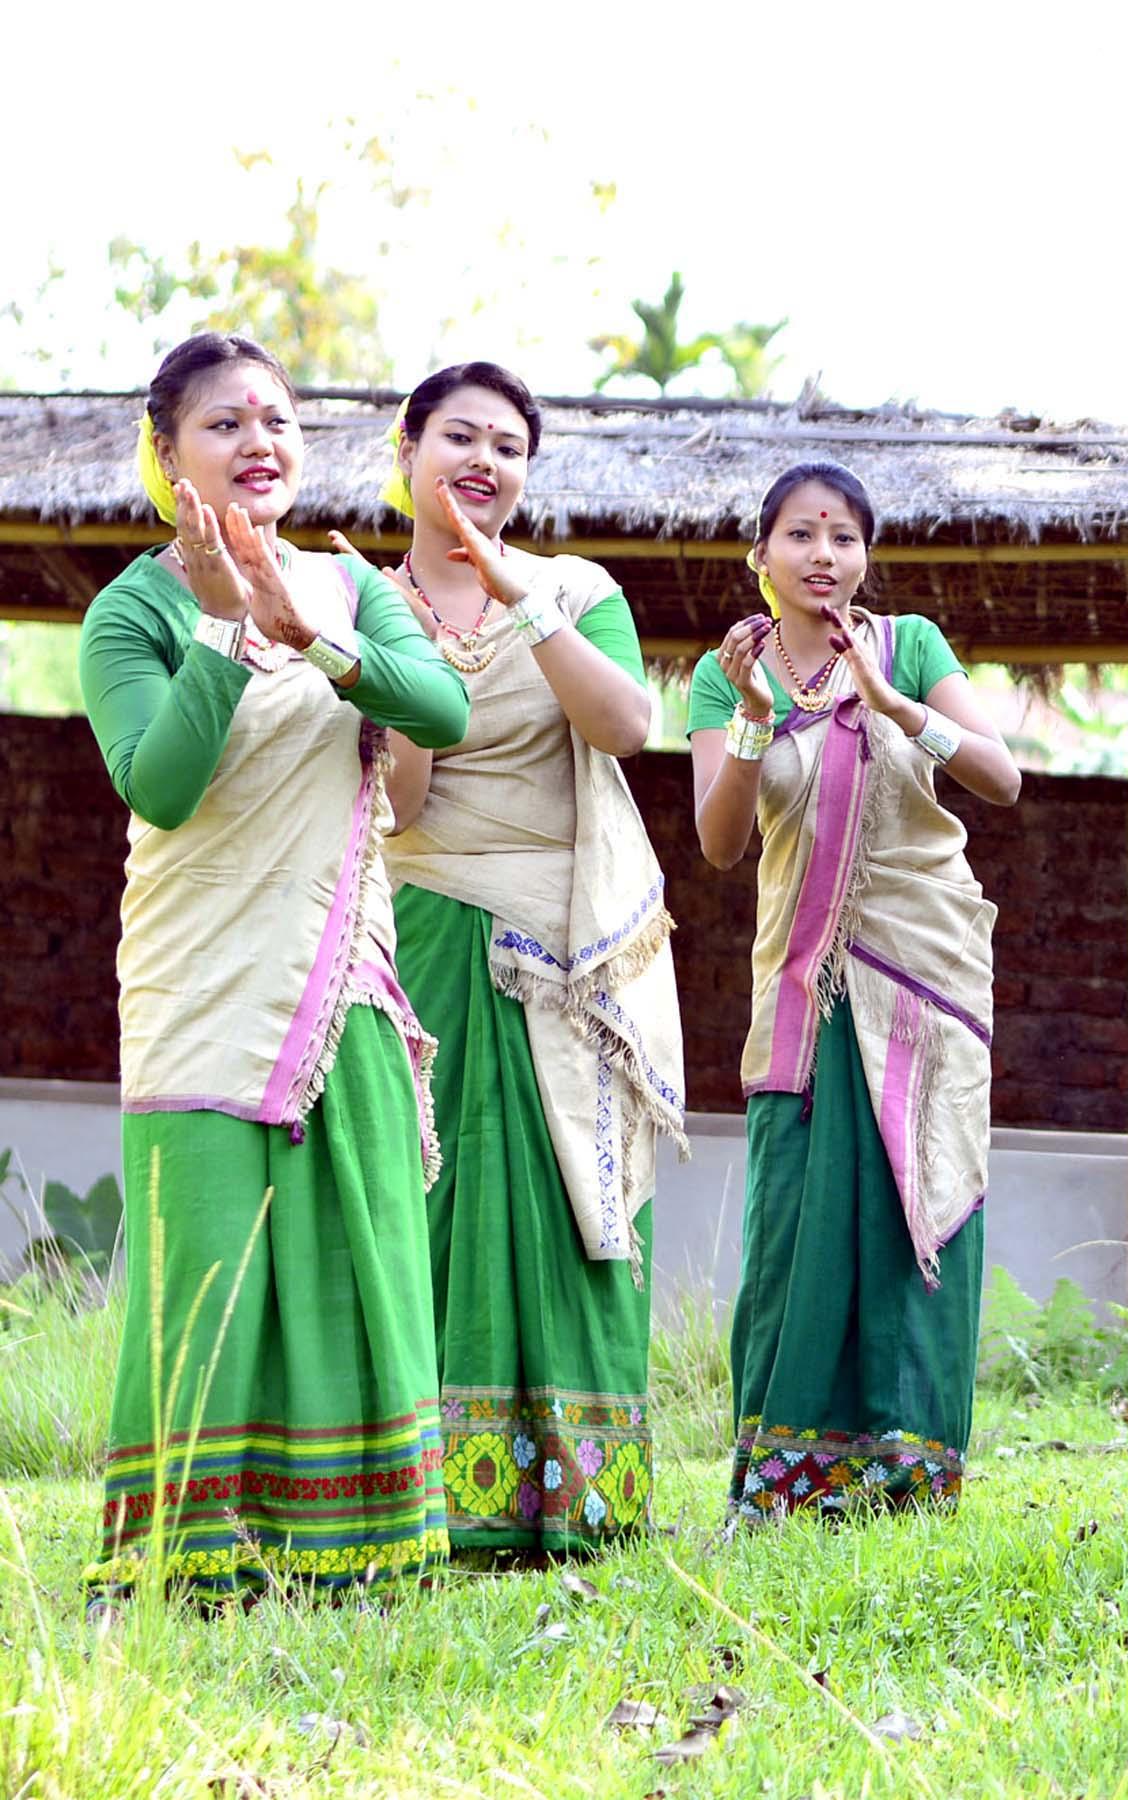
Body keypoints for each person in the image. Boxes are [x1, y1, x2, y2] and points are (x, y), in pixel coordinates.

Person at [79, 332, 469, 1596]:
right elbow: (164, 783)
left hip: (337, 968)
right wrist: (230, 634)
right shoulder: (130, 610)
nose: (258, 444)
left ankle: (365, 1546)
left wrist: (312, 628)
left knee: (357, 1241)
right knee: (206, 1255)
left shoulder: (353, 588)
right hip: (199, 972)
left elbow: (440, 714)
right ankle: (193, 1560)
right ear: (167, 451)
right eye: (223, 424)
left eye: (278, 423)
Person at [376, 361, 681, 1561]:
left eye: (508, 446)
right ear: (407, 450)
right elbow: (394, 801)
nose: (483, 462)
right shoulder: (356, 602)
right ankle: (427, 1497)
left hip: (567, 945)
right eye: (460, 436)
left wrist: (523, 600)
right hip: (428, 934)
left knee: (571, 1203)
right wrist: (379, 654)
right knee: (427, 1196)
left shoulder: (573, 587)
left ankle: (581, 1495)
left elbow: (625, 727)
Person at [688, 461, 1020, 1522]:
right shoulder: (723, 670)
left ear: (865, 555)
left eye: (841, 536)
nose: (822, 555)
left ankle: (909, 1478)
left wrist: (893, 705)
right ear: (762, 554)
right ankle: (790, 1480)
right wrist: (749, 717)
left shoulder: (908, 645)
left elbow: (1000, 778)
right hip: (801, 987)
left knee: (915, 1203)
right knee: (798, 1225)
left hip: (921, 970)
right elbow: (720, 841)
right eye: (799, 534)